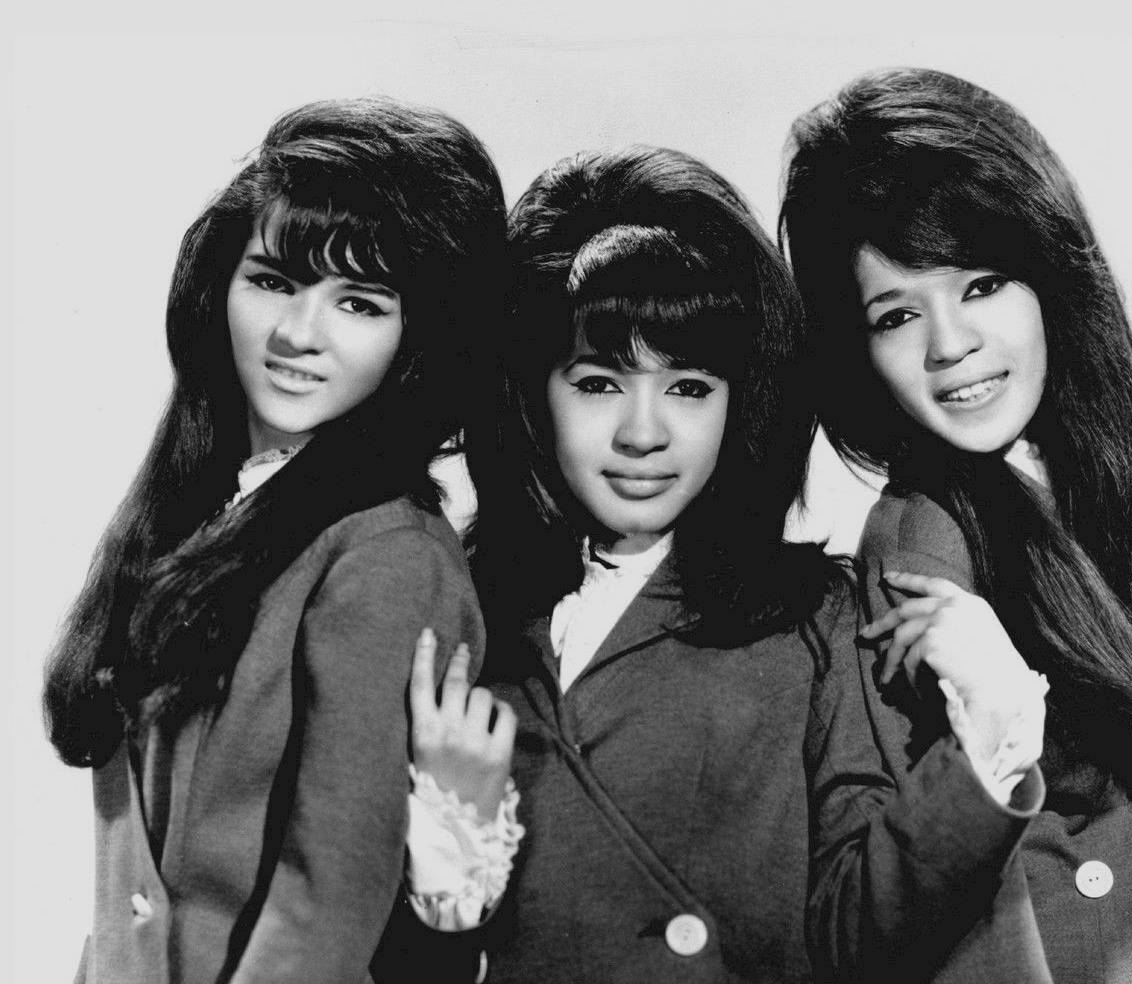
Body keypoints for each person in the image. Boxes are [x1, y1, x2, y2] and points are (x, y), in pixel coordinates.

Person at [779, 66, 1132, 982]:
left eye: (981, 284)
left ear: (1046, 274)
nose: (949, 344)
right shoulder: (921, 543)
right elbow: (958, 906)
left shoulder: (1109, 474)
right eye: (896, 314)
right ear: (859, 352)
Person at [42, 97, 506, 984]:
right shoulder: (195, 505)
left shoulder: (388, 557)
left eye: (360, 302)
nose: (299, 335)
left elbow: (325, 902)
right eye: (273, 281)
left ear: (420, 339)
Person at [385, 145, 859, 982]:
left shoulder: (816, 622)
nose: (645, 434)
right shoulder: (450, 603)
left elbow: (875, 928)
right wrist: (449, 871)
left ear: (742, 400)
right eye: (600, 382)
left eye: (689, 387)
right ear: (532, 394)